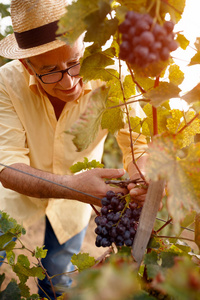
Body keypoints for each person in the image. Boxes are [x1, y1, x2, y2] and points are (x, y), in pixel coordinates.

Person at [0, 0, 148, 298]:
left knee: (56, 279)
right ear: (27, 64)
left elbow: (136, 144)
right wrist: (70, 186)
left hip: (72, 214)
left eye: (74, 63)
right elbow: (6, 164)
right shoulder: (5, 84)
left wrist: (140, 173)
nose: (69, 82)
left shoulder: (112, 74)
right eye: (50, 71)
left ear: (83, 44)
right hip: (14, 204)